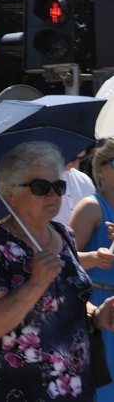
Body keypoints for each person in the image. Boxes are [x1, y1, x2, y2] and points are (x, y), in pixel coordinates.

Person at [0, 141, 114, 401]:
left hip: (74, 383)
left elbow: (67, 300)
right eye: (40, 187)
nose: (53, 195)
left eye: (58, 186)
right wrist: (35, 284)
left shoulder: (64, 234)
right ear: (11, 194)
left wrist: (96, 315)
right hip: (22, 388)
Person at [69, 138, 114, 398]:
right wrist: (95, 258)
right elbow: (67, 258)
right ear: (100, 170)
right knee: (102, 387)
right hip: (98, 305)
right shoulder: (91, 206)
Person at [54, 150, 95, 226]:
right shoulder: (38, 179)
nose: (76, 162)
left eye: (81, 158)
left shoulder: (85, 181)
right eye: (73, 158)